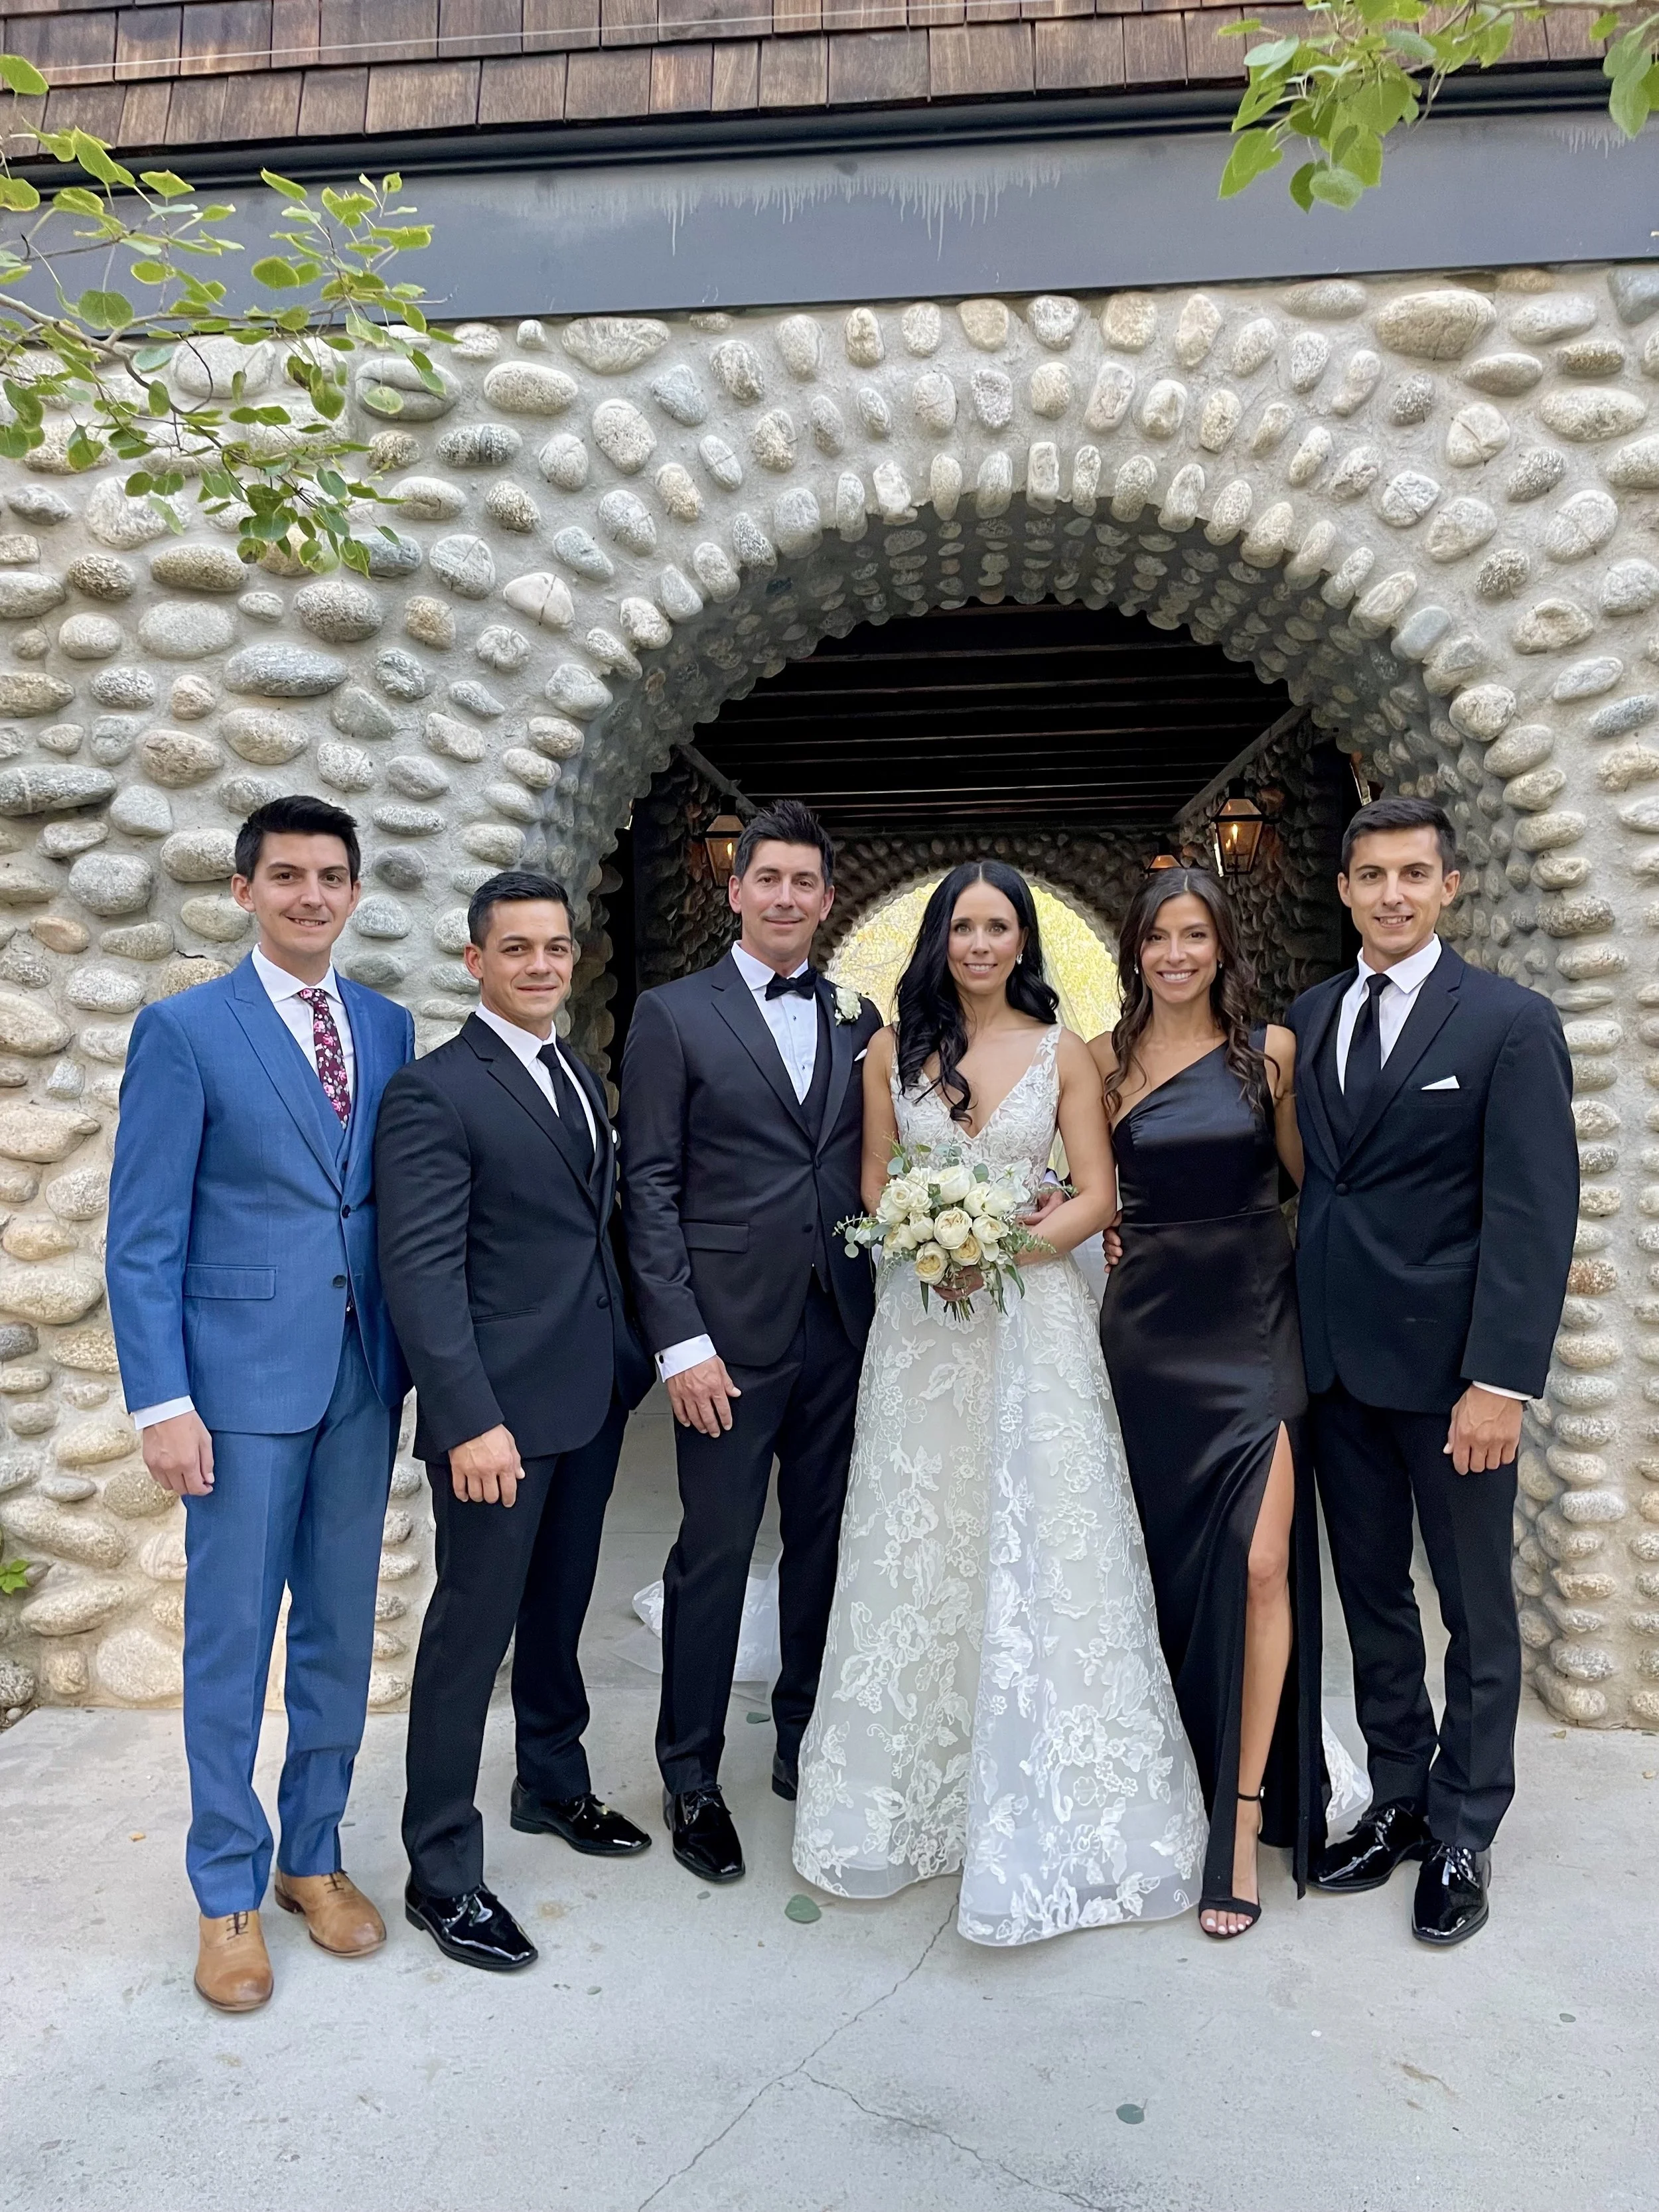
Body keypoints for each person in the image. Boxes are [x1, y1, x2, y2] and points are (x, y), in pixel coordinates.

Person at [792, 861, 1206, 1945]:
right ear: (940, 939)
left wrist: (999, 1249)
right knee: (921, 1546)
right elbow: (875, 1181)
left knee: (1041, 1542)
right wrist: (928, 1245)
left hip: (1031, 1326)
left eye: (998, 927)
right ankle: (917, 1797)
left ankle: (1058, 1799)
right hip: (924, 1331)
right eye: (963, 927)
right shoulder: (891, 1051)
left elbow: (1101, 1192)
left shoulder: (1063, 1052)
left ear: (1024, 942)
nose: (980, 944)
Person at [107, 796, 415, 2013]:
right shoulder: (183, 1032)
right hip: (233, 1391)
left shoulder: (387, 1026)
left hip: (359, 1376)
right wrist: (161, 1403)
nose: (309, 896)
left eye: (330, 877)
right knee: (234, 1645)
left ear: (353, 893)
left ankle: (312, 1858)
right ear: (244, 892)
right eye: (284, 876)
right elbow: (142, 1239)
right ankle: (225, 1891)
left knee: (341, 1632)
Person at [1287, 796, 1575, 1947]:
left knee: (1476, 1612)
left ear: (1449, 886)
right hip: (1336, 1371)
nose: (1392, 894)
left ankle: (1465, 1827)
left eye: (1413, 874)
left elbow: (1531, 1215)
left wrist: (1499, 1382)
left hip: (1457, 1382)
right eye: (1371, 875)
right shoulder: (1311, 1016)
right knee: (1371, 1601)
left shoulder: (1508, 1022)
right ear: (1346, 888)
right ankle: (1400, 1796)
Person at [375, 871, 654, 1972]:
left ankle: (552, 1782)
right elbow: (422, 1269)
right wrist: (467, 1420)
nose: (540, 966)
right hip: (495, 1419)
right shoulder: (435, 1091)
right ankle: (441, 1872)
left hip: (585, 1397)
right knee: (468, 1635)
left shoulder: (573, 1070)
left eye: (555, 948)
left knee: (559, 1611)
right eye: (516, 949)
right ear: (474, 962)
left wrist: (626, 1362)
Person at [617, 801, 884, 1885]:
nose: (784, 898)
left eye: (803, 883)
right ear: (735, 891)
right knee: (715, 1553)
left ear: (827, 899)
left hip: (845, 1326)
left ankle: (805, 1742)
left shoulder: (862, 1018)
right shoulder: (672, 1017)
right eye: (765, 879)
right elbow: (650, 1186)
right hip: (723, 1342)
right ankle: (690, 1773)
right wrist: (679, 1343)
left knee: (827, 1549)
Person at [1090, 869, 1323, 1941]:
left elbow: (1306, 1187)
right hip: (1149, 1338)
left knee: (1263, 1562)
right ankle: (1171, 1766)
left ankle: (1240, 1816)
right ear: (1134, 949)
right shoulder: (1096, 1063)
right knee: (1166, 1568)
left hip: (1254, 1319)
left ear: (1224, 946)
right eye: (1158, 938)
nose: (1176, 954)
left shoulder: (1268, 1054)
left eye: (1195, 936)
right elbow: (1088, 1192)